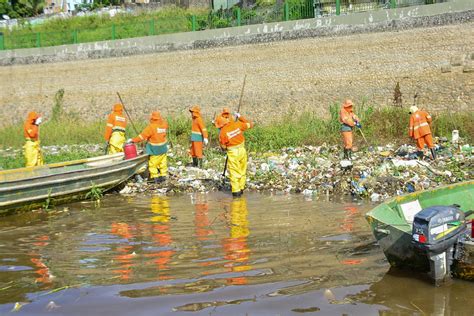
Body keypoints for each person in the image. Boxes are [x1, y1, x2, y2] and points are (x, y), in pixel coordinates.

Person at [216, 113, 253, 198]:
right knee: (242, 170)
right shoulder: (237, 124)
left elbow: (223, 147)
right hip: (242, 150)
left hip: (233, 153)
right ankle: (241, 188)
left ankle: (236, 194)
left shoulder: (222, 133)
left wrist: (224, 148)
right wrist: (240, 117)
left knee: (234, 173)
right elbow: (250, 124)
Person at [128, 111, 169, 184]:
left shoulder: (151, 127)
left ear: (152, 118)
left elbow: (142, 136)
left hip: (155, 149)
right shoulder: (164, 124)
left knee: (153, 164)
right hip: (163, 148)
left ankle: (154, 178)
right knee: (163, 163)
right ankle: (163, 176)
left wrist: (133, 140)